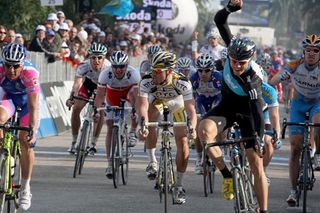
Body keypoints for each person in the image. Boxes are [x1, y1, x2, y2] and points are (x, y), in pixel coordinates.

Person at [198, 1, 268, 212]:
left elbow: (257, 111)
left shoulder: (253, 78)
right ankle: (227, 175)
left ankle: (263, 209)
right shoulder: (232, 48)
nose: (237, 66)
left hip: (249, 113)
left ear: (250, 60)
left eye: (242, 63)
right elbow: (219, 21)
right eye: (233, 61)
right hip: (227, 106)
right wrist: (229, 8)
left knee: (256, 165)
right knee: (203, 131)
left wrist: (259, 138)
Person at [137, 51, 197, 204]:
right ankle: (152, 162)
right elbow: (142, 105)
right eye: (152, 70)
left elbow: (191, 109)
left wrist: (192, 127)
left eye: (157, 71)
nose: (154, 74)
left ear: (169, 71)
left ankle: (179, 185)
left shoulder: (182, 82)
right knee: (150, 117)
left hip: (176, 103)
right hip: (157, 100)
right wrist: (142, 123)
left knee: (183, 142)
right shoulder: (146, 81)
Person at [269, 34, 320, 207]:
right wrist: (272, 85)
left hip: (317, 104)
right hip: (298, 105)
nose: (312, 54)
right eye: (308, 50)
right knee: (295, 148)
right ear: (303, 52)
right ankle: (293, 191)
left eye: (316, 50)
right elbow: (274, 80)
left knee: (318, 121)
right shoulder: (294, 65)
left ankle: (318, 154)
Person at [0, 43, 40, 210]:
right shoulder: (1, 71)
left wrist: (32, 129)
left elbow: (33, 106)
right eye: (8, 65)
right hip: (7, 98)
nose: (11, 70)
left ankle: (25, 188)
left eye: (16, 66)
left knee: (26, 142)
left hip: (26, 104)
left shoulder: (30, 73)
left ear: (23, 64)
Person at [94, 51, 140, 178]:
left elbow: (138, 97)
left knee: (136, 106)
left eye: (122, 67)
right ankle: (109, 163)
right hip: (112, 95)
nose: (118, 70)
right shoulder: (105, 74)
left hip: (128, 93)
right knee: (109, 126)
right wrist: (97, 110)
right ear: (111, 66)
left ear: (127, 66)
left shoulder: (134, 74)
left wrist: (136, 110)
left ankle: (132, 132)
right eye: (115, 67)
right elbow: (99, 96)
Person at [66, 43, 110, 154]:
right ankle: (74, 141)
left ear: (104, 58)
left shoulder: (108, 67)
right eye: (93, 57)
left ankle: (93, 143)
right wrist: (72, 97)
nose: (96, 60)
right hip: (88, 85)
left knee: (99, 114)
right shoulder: (83, 65)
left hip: (103, 88)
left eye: (100, 57)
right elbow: (77, 84)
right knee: (76, 109)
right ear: (89, 57)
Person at [190, 53, 222, 175]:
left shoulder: (219, 77)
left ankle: (219, 149)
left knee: (218, 126)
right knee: (198, 129)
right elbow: (190, 99)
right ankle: (199, 159)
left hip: (217, 100)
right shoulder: (193, 79)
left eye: (207, 70)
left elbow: (225, 96)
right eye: (200, 70)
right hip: (201, 101)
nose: (203, 73)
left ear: (212, 70)